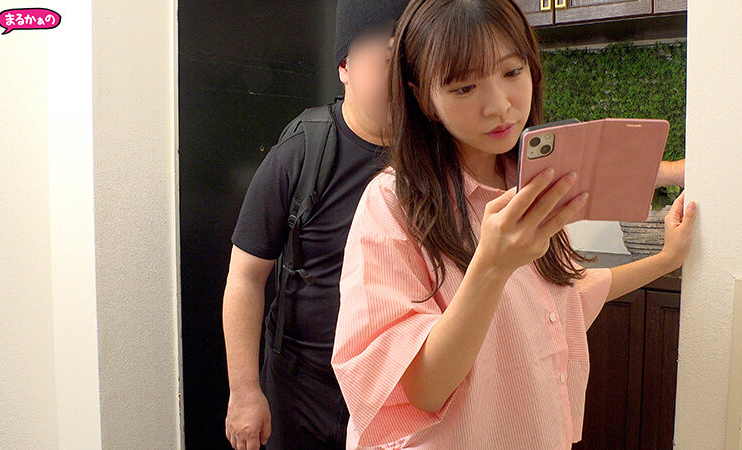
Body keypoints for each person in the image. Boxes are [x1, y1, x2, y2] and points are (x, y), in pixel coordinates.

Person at [330, 0, 696, 448]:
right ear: (424, 98)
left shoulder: (527, 183)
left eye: (511, 71)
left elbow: (562, 300)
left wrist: (666, 259)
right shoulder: (392, 204)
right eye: (464, 87)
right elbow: (424, 390)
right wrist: (492, 265)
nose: (499, 105)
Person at [223, 1, 409, 449]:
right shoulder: (302, 152)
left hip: (395, 385)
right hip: (302, 386)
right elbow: (246, 278)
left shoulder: (432, 156)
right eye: (387, 61)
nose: (402, 79)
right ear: (345, 67)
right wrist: (244, 393)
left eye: (413, 62)